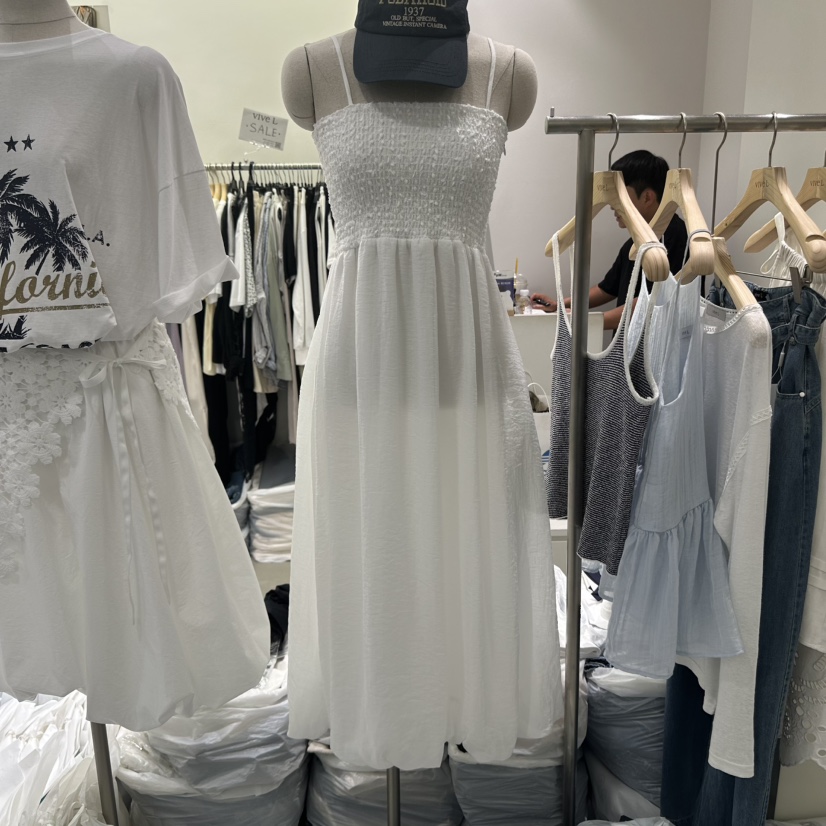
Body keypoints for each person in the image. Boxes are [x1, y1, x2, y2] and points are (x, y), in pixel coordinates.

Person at [532, 149, 688, 330]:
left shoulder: (676, 237)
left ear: (647, 197)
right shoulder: (632, 244)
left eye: (618, 194)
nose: (611, 204)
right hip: (626, 346)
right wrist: (561, 304)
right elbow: (606, 289)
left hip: (659, 347)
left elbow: (653, 303)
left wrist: (586, 322)